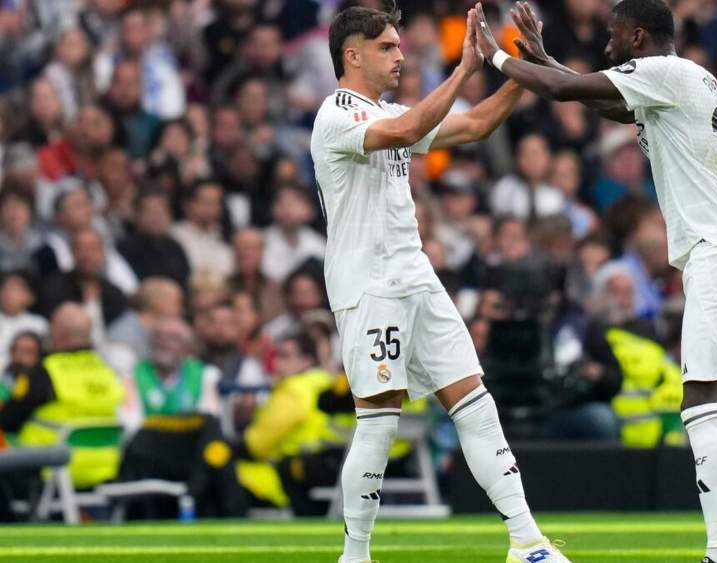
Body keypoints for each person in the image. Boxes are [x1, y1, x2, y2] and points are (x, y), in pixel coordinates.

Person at [477, 3, 717, 561]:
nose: (606, 43)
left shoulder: (664, 72)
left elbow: (571, 94)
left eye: (614, 35)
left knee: (701, 402)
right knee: (716, 408)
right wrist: (542, 58)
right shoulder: (685, 78)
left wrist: (491, 54)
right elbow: (602, 101)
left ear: (638, 36)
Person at [313, 6, 568, 562]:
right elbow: (407, 130)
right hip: (369, 284)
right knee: (378, 419)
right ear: (352, 55)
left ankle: (527, 543)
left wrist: (525, 64)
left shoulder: (391, 111)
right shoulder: (337, 115)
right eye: (387, 47)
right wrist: (464, 68)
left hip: (415, 276)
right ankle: (354, 555)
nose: (400, 55)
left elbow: (474, 125)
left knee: (474, 400)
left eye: (399, 45)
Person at [0, 303, 125, 489]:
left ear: (60, 335)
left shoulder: (46, 372)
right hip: (104, 467)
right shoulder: (107, 371)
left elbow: (8, 420)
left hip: (48, 468)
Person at [234, 332, 344, 516]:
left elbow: (256, 444)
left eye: (284, 356)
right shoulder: (325, 382)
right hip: (330, 466)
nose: (276, 363)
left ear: (306, 361)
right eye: (275, 355)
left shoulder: (293, 390)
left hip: (289, 474)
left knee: (225, 472)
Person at [120, 317, 222, 433]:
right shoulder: (131, 376)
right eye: (158, 336)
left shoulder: (204, 376)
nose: (163, 343)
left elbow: (210, 418)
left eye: (173, 338)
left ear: (185, 347)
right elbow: (130, 422)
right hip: (146, 445)